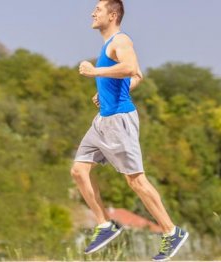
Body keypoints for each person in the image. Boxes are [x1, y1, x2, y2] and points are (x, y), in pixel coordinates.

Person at [73, 0, 189, 261]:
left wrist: (95, 72)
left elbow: (131, 68)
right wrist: (102, 90)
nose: (92, 12)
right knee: (79, 170)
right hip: (102, 120)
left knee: (135, 179)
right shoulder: (108, 45)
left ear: (113, 15)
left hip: (119, 121)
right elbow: (137, 78)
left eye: (98, 9)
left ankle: (172, 232)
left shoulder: (121, 41)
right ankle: (105, 225)